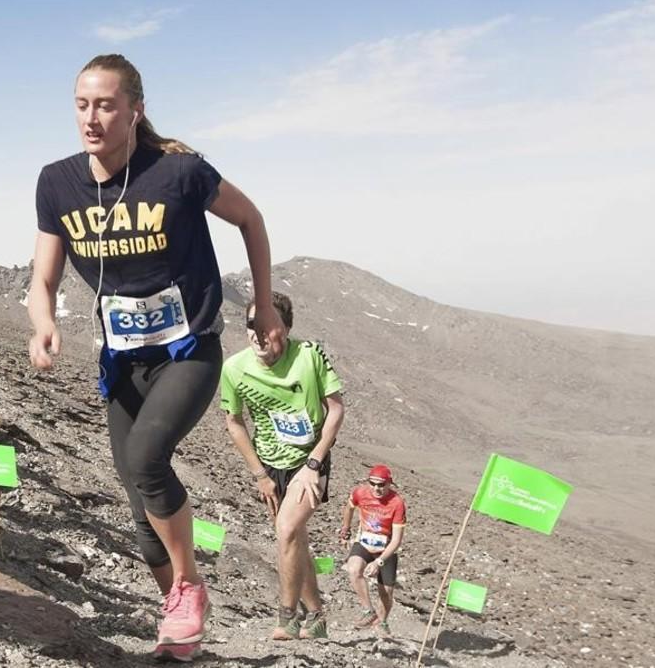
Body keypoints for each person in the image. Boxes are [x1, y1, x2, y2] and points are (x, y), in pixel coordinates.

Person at [27, 53, 286, 663]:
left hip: (189, 350)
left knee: (148, 459)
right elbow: (42, 279)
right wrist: (42, 325)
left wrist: (265, 306)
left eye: (106, 105)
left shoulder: (178, 173)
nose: (92, 118)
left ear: (134, 109)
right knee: (141, 506)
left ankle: (190, 585)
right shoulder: (57, 181)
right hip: (124, 363)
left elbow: (250, 218)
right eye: (82, 104)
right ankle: (182, 639)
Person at [219, 291, 344, 641]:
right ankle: (316, 616)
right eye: (251, 325)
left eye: (268, 326)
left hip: (309, 458)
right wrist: (259, 473)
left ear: (285, 330)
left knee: (287, 529)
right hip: (271, 464)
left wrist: (315, 462)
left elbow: (335, 410)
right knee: (295, 539)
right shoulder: (234, 369)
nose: (258, 333)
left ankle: (287, 617)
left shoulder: (309, 356)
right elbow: (234, 420)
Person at [338, 464, 407, 638]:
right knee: (353, 569)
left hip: (386, 549)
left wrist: (380, 561)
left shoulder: (397, 503)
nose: (377, 488)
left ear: (389, 483)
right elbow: (349, 507)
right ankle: (368, 611)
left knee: (386, 592)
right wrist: (345, 530)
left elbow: (397, 540)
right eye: (373, 483)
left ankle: (382, 622)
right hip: (365, 542)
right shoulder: (360, 493)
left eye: (381, 484)